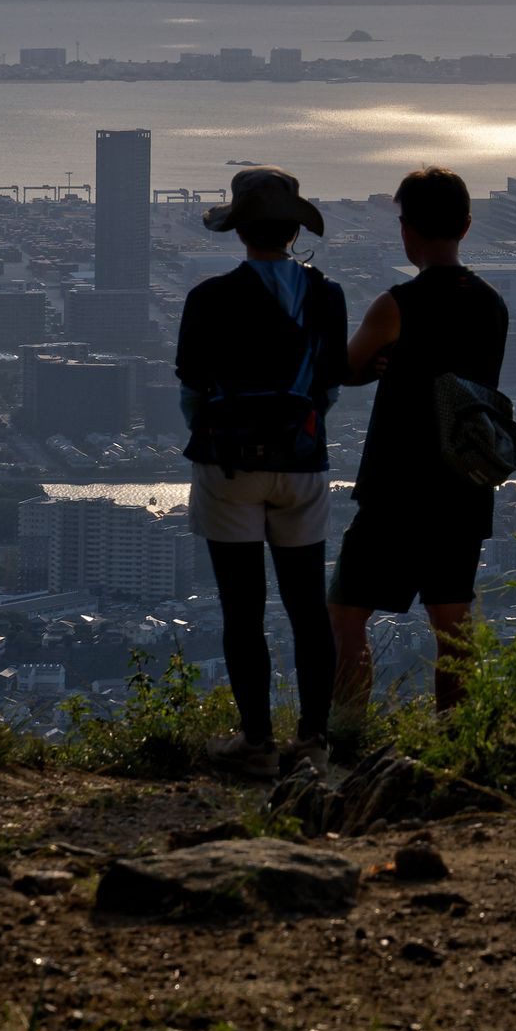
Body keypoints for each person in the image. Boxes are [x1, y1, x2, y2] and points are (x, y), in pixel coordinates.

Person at [171, 166, 348, 779]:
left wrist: (220, 431)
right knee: (307, 608)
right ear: (295, 232)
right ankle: (314, 740)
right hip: (302, 463)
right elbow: (329, 386)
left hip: (228, 467)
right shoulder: (327, 295)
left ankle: (257, 743)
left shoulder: (210, 297)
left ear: (239, 231)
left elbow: (191, 386)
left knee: (242, 610)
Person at [328, 165, 510, 732]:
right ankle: (453, 736)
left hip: (398, 483)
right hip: (463, 484)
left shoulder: (397, 304)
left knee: (347, 614)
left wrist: (381, 363)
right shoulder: (492, 305)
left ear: (407, 229)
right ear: (467, 226)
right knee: (452, 624)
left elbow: (347, 367)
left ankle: (348, 732)